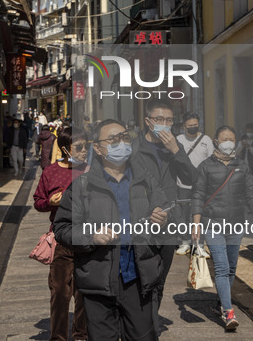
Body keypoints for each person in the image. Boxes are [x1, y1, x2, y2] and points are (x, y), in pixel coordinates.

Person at [54, 119, 169, 341]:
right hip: (99, 279)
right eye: (113, 140)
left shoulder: (146, 181)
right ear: (97, 148)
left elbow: (168, 213)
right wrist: (91, 236)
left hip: (139, 278)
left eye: (125, 137)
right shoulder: (82, 186)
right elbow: (62, 228)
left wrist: (163, 217)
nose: (121, 143)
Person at [191, 126, 253, 331]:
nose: (228, 142)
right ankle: (228, 311)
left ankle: (221, 300)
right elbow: (198, 195)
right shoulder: (206, 166)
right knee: (222, 268)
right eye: (224, 139)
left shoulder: (241, 165)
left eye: (232, 139)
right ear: (216, 141)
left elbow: (252, 194)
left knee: (232, 267)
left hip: (235, 225)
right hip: (212, 224)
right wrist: (196, 223)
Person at [132, 100, 196, 313]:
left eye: (169, 120)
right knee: (141, 279)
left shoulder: (174, 147)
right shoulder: (134, 148)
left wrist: (176, 150)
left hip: (169, 222)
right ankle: (140, 326)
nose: (165, 124)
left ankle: (151, 324)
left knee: (160, 280)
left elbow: (192, 178)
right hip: (142, 221)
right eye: (159, 120)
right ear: (148, 121)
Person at [33, 127, 89, 341]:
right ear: (66, 150)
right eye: (80, 147)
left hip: (86, 237)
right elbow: (38, 202)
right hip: (60, 239)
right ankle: (58, 337)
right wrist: (50, 202)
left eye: (87, 146)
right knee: (59, 292)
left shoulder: (92, 170)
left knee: (83, 291)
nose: (85, 151)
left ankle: (81, 335)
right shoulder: (50, 172)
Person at [175, 112, 214, 256]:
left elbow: (211, 161)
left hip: (202, 185)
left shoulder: (206, 140)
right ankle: (185, 242)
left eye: (195, 125)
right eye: (190, 125)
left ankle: (199, 244)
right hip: (183, 185)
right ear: (184, 125)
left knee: (200, 215)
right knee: (184, 215)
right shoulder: (178, 139)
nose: (193, 128)